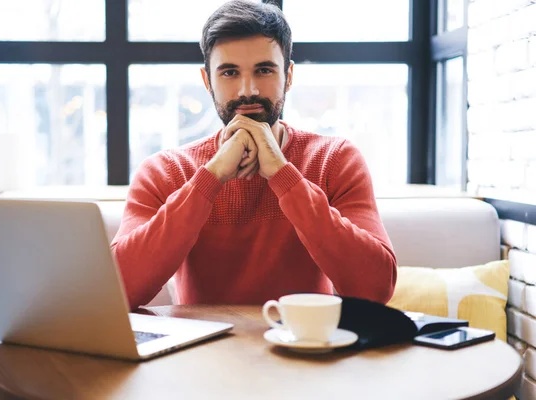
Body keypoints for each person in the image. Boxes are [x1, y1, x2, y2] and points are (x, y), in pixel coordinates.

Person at [111, 0, 397, 309]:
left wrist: (283, 175)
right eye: (229, 72)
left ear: (288, 76)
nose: (247, 90)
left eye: (263, 70)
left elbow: (375, 288)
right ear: (207, 81)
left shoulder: (335, 159)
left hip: (308, 352)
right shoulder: (165, 171)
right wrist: (212, 176)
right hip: (200, 355)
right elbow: (118, 291)